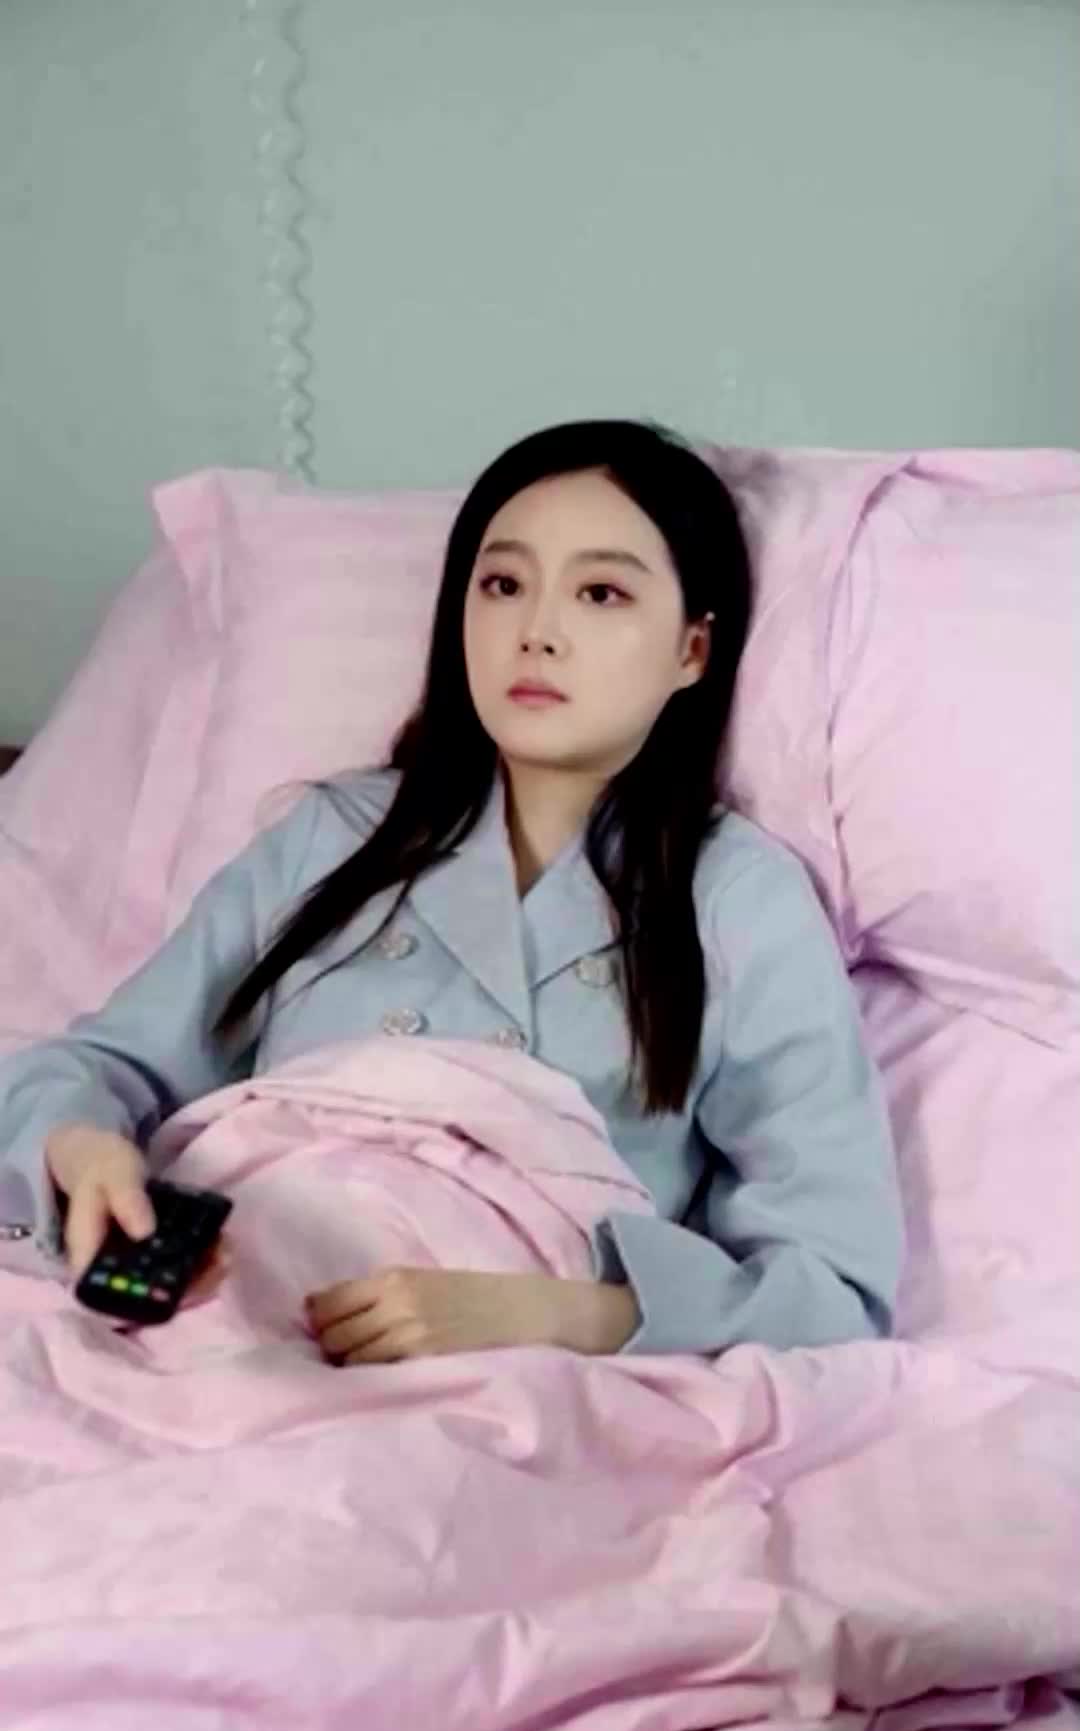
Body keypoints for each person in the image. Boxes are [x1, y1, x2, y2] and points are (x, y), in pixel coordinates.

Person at [0, 418, 905, 1367]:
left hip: (522, 1379)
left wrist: (555, 1314)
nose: (536, 632)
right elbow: (102, 1066)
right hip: (240, 1307)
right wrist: (81, 1147)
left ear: (692, 650)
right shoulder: (330, 839)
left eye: (600, 593)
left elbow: (830, 1284)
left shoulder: (739, 900)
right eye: (503, 584)